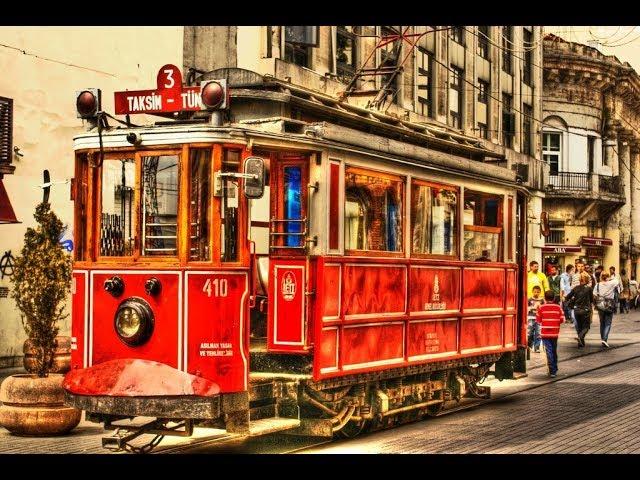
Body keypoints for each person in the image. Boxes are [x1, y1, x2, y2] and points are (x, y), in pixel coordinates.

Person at [536, 290, 565, 378]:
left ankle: (552, 370)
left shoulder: (541, 308)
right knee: (553, 350)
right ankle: (555, 368)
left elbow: (538, 320)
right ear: (554, 298)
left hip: (545, 333)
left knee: (548, 351)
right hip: (555, 333)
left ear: (545, 298)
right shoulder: (558, 307)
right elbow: (562, 319)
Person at [564, 272, 593, 348]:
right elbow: (592, 300)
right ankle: (580, 337)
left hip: (576, 310)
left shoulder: (575, 288)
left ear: (580, 280)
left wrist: (571, 299)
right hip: (585, 310)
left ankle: (581, 343)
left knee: (579, 326)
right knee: (586, 326)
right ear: (587, 280)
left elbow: (567, 297)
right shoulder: (589, 289)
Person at [594, 272, 620, 348]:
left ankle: (603, 338)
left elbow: (594, 295)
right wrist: (610, 279)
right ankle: (604, 339)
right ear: (608, 277)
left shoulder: (597, 285)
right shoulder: (612, 283)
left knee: (602, 323)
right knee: (608, 323)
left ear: (601, 277)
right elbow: (617, 280)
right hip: (609, 305)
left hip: (600, 305)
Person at [528, 285, 544, 353]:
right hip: (531, 318)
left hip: (539, 319)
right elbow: (527, 308)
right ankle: (529, 346)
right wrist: (533, 307)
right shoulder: (529, 300)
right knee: (530, 333)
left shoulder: (542, 300)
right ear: (532, 292)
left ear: (540, 292)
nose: (536, 293)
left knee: (538, 333)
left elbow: (543, 309)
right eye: (535, 292)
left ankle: (537, 347)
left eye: (538, 292)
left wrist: (539, 306)